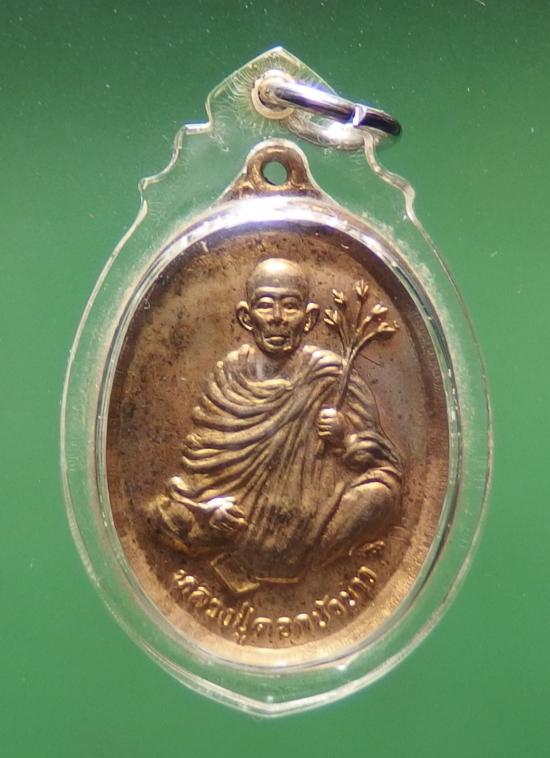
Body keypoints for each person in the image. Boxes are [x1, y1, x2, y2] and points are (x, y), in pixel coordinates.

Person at [146, 258, 401, 594]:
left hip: (315, 521)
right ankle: (255, 553)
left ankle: (301, 564)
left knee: (380, 496)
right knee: (167, 515)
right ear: (245, 316)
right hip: (240, 522)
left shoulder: (331, 375)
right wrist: (209, 509)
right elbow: (201, 468)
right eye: (265, 305)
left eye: (290, 305)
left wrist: (345, 440)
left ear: (309, 318)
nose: (277, 317)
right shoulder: (229, 376)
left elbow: (386, 466)